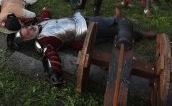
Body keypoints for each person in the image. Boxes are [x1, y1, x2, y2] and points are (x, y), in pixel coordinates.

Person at [15, 10, 156, 85]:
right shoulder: (44, 42)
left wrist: (45, 11)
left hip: (81, 20)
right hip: (84, 33)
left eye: (27, 28)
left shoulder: (40, 24)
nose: (30, 29)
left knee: (101, 21)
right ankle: (141, 34)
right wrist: (54, 73)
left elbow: (45, 16)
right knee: (114, 30)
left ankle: (114, 19)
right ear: (29, 39)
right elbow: (51, 56)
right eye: (28, 33)